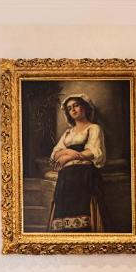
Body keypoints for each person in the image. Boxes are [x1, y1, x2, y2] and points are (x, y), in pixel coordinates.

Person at [47, 94, 108, 232]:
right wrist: (69, 153)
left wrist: (68, 156)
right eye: (69, 108)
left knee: (83, 210)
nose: (73, 110)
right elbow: (55, 154)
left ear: (84, 107)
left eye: (76, 105)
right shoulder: (68, 133)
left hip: (84, 175)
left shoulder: (93, 128)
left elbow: (94, 151)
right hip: (65, 178)